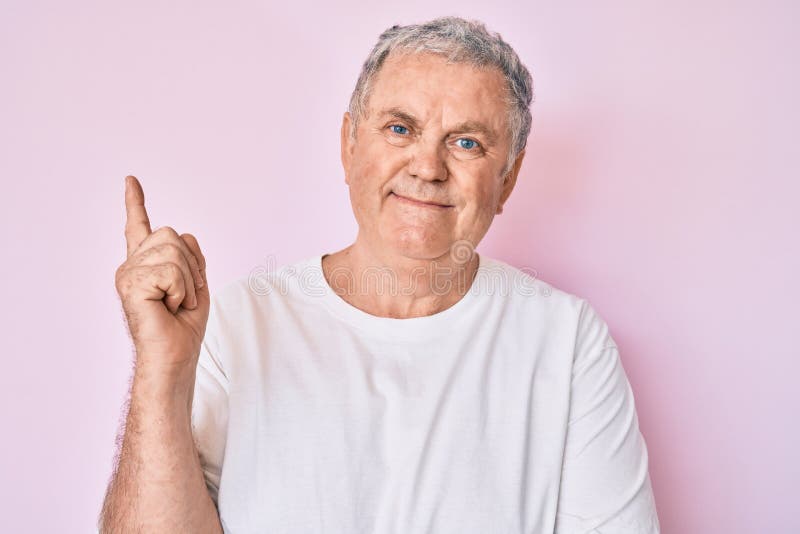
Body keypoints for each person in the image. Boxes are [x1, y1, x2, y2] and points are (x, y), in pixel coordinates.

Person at [99, 16, 660, 534]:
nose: (427, 167)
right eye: (399, 129)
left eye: (467, 143)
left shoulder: (567, 343)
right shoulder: (238, 322)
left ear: (508, 180)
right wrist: (161, 371)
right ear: (348, 146)